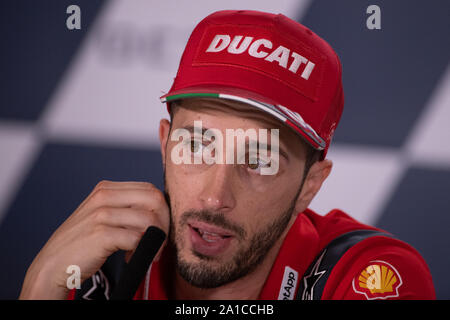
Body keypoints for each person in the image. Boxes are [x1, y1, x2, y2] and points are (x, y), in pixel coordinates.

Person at [19, 10, 435, 300]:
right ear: (166, 145)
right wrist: (38, 287)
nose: (215, 197)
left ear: (310, 185)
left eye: (260, 160)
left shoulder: (364, 275)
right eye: (197, 145)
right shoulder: (93, 267)